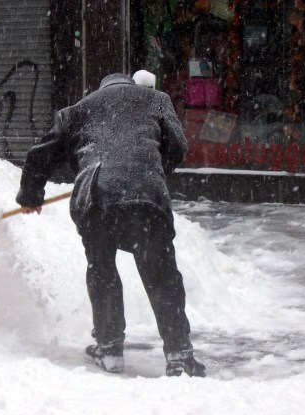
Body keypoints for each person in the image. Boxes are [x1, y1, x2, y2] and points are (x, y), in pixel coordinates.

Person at [15, 72, 206, 378]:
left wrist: (30, 196)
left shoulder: (76, 111)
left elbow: (40, 154)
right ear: (131, 84)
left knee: (102, 270)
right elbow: (178, 145)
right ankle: (179, 355)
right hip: (147, 198)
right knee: (161, 275)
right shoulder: (157, 100)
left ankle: (109, 350)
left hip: (99, 198)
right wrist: (153, 170)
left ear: (100, 88)